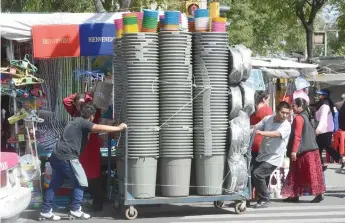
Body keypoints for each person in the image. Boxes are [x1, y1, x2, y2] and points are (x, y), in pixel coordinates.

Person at [40, 104, 127, 220]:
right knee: (81, 181)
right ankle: (75, 209)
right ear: (91, 116)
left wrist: (111, 126)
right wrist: (119, 128)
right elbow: (99, 128)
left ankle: (46, 210)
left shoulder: (75, 121)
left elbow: (96, 130)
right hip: (67, 157)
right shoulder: (84, 123)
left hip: (56, 156)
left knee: (55, 182)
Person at [63, 92, 104, 211]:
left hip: (91, 146)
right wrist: (79, 96)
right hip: (79, 146)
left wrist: (88, 96)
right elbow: (66, 100)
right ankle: (75, 203)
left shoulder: (92, 110)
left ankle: (98, 202)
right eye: (77, 104)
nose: (79, 106)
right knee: (78, 174)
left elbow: (100, 101)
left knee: (93, 175)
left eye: (82, 104)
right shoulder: (75, 111)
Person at [281, 98, 325, 203]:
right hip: (312, 150)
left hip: (304, 152)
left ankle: (295, 195)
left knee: (296, 173)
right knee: (312, 173)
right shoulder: (307, 116)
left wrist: (293, 151)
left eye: (293, 106)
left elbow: (297, 136)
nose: (292, 108)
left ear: (300, 107)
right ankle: (299, 194)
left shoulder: (299, 118)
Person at [252, 101, 291, 208]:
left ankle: (265, 198)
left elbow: (276, 134)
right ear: (277, 111)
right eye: (283, 112)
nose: (285, 115)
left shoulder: (286, 125)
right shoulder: (268, 119)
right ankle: (260, 198)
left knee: (257, 174)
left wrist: (261, 133)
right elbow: (256, 127)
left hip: (274, 157)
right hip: (263, 154)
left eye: (287, 113)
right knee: (259, 175)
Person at [314, 89, 345, 169]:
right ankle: (320, 164)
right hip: (326, 129)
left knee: (323, 147)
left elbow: (323, 118)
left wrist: (318, 129)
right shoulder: (323, 103)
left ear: (324, 96)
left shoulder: (325, 105)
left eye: (320, 95)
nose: (318, 96)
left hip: (324, 129)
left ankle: (340, 159)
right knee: (322, 147)